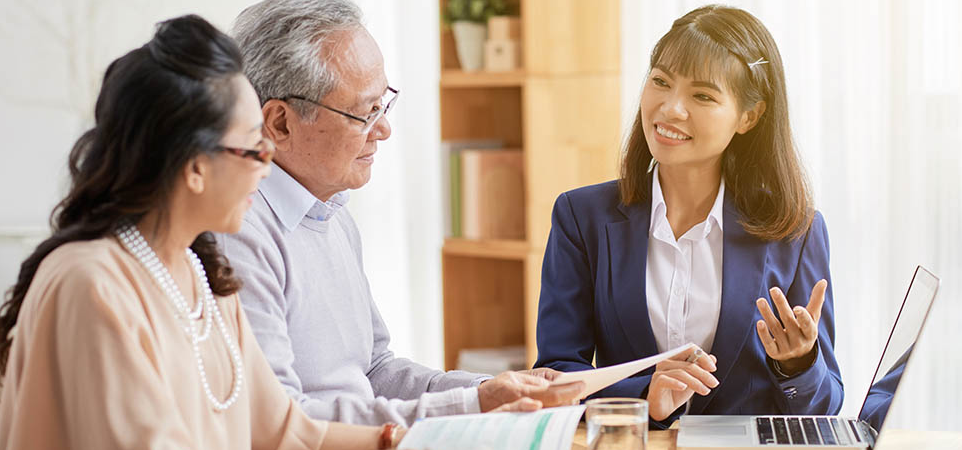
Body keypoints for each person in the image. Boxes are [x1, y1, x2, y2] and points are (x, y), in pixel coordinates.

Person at [0, 15, 407, 449]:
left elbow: (284, 429)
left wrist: (405, 439)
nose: (267, 163)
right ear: (195, 166)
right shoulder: (91, 283)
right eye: (253, 146)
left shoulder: (201, 274)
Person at [219, 0, 582, 427]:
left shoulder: (332, 214)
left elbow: (374, 370)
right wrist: (472, 407)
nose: (384, 129)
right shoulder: (236, 232)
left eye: (383, 104)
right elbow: (282, 420)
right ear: (279, 123)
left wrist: (488, 391)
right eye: (364, 113)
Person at [534, 4, 844, 427]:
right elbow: (554, 378)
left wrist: (798, 363)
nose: (671, 109)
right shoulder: (580, 218)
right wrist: (645, 394)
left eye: (702, 95)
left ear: (749, 116)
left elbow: (824, 410)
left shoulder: (795, 231)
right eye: (660, 82)